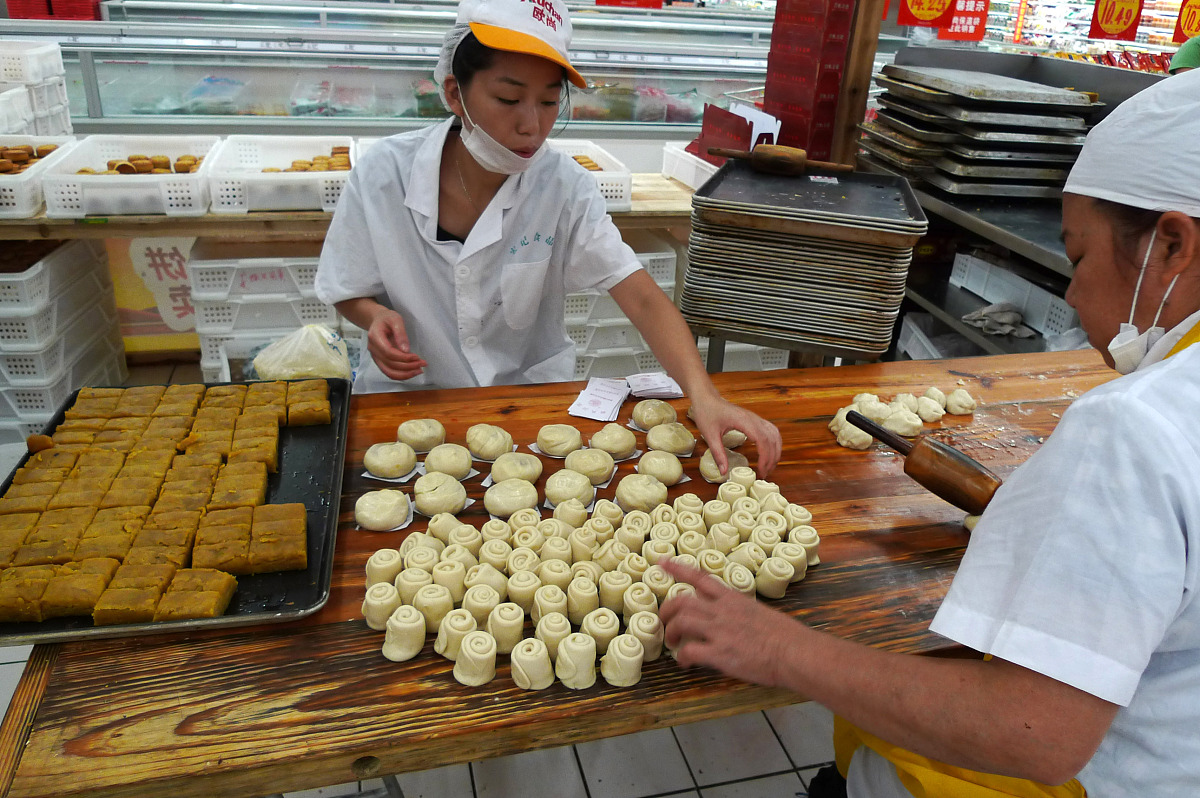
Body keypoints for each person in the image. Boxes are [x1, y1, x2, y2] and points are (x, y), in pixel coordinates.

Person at [660, 68, 1200, 797]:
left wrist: (780, 649)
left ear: (1171, 246)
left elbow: (1035, 732)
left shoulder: (1131, 428)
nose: (1072, 293)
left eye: (1077, 258)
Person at [314, 0, 780, 475]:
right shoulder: (383, 174)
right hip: (406, 405)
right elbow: (348, 286)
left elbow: (639, 295)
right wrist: (374, 316)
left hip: (528, 412)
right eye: (508, 99)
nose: (531, 126)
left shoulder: (564, 187)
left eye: (549, 102)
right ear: (455, 93)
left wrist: (704, 396)